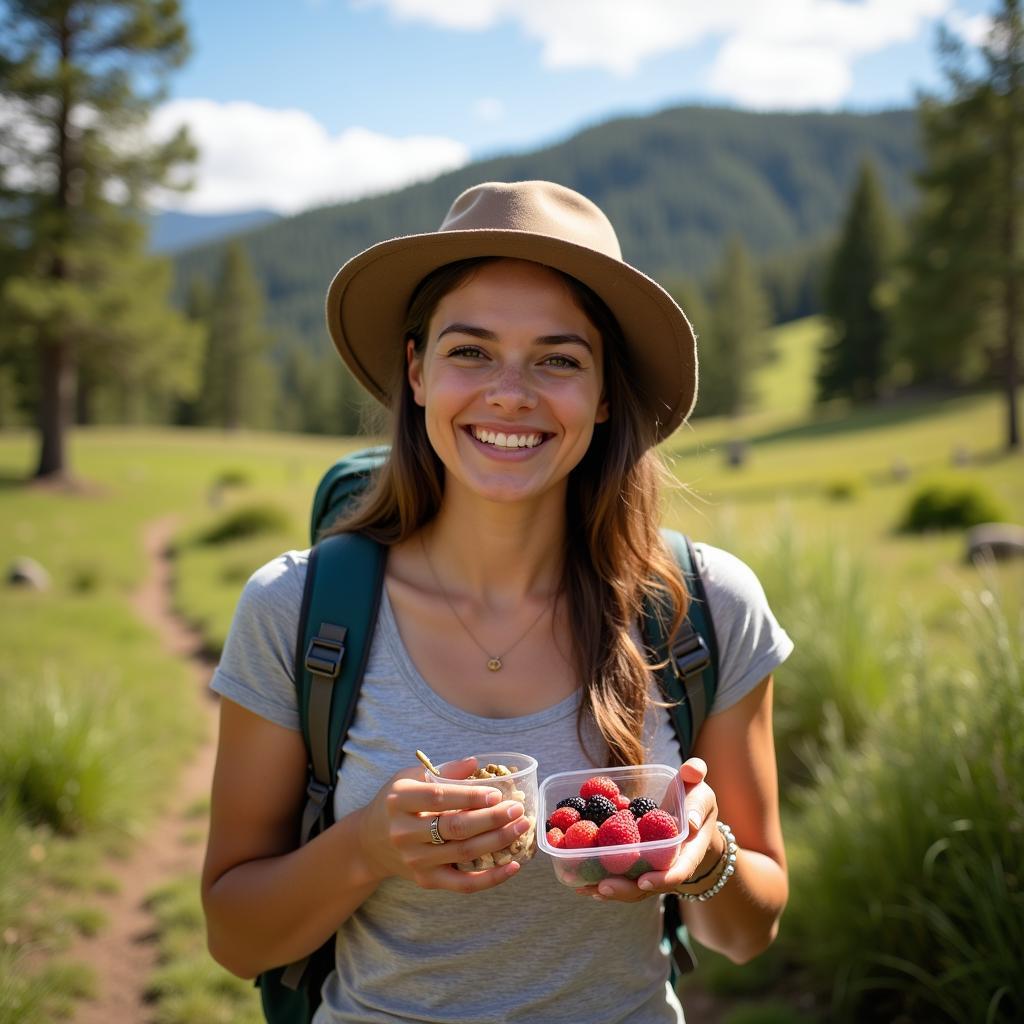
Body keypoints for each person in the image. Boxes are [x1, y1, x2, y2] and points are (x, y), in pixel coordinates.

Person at [201, 180, 792, 1023]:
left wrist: (703, 861)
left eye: (558, 359)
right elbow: (236, 938)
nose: (510, 393)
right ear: (416, 371)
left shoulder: (704, 606)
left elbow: (750, 930)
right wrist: (367, 848)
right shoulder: (296, 610)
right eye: (470, 351)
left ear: (606, 393)